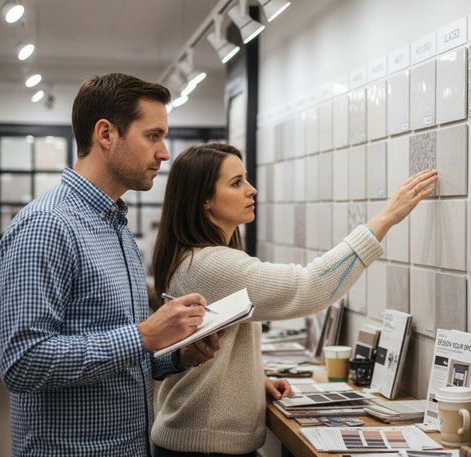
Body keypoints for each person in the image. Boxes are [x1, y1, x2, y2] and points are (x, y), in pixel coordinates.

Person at [150, 143, 438, 456]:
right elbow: (310, 285)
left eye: (246, 179)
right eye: (236, 183)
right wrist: (386, 217)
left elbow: (215, 348)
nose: (252, 190)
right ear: (204, 201)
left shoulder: (202, 259)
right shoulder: (209, 264)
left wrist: (252, 381)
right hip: (201, 449)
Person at [0, 73, 220, 457]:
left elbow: (118, 356)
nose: (165, 153)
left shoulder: (113, 225)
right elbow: (22, 363)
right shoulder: (47, 226)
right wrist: (145, 335)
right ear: (105, 134)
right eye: (153, 136)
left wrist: (174, 356)